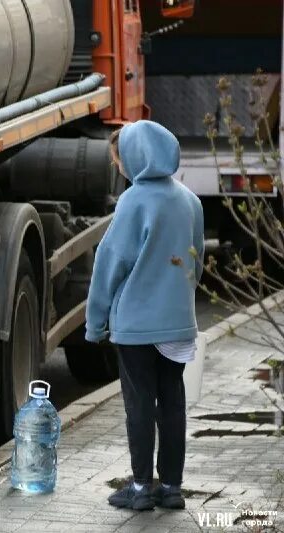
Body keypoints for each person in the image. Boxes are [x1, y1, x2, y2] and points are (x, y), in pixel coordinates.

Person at [85, 120, 204, 511]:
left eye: (120, 159)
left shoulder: (133, 200)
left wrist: (95, 321)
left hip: (136, 327)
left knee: (140, 407)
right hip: (178, 325)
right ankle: (171, 487)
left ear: (135, 158)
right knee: (173, 405)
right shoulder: (191, 200)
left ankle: (140, 489)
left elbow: (110, 262)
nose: (119, 167)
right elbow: (195, 261)